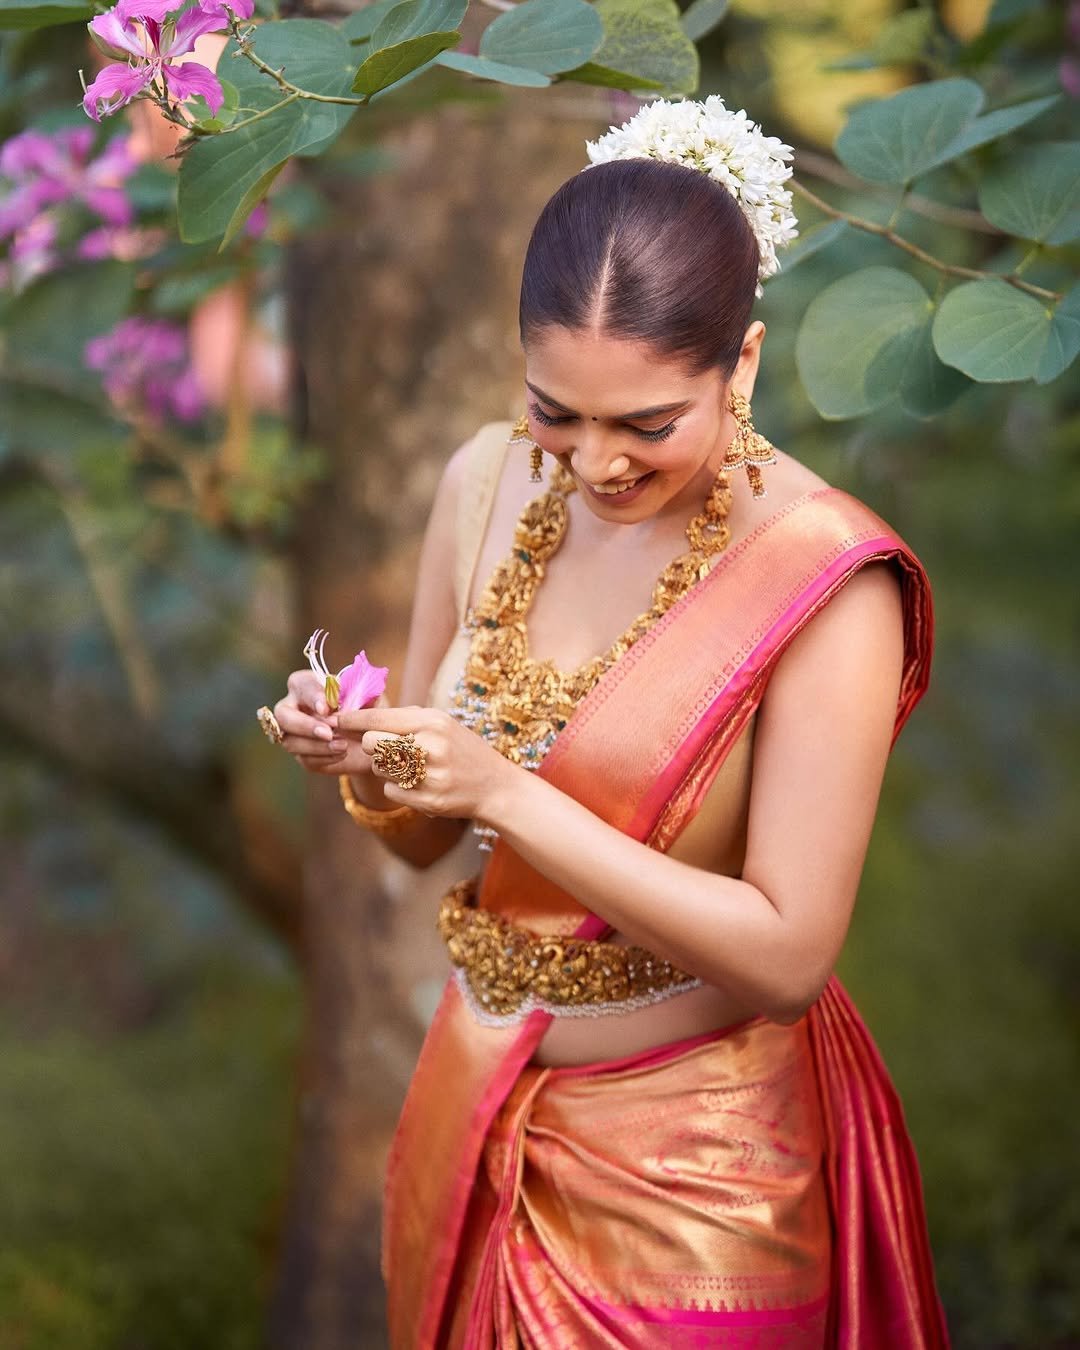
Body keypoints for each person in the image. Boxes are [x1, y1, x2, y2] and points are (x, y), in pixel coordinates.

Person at [263, 97, 949, 1349]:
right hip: (474, 1114)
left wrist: (504, 791)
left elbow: (789, 959)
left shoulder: (826, 582)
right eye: (555, 411)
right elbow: (425, 842)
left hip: (701, 1188)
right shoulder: (483, 484)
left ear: (742, 364)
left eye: (647, 424)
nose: (593, 464)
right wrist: (368, 757)